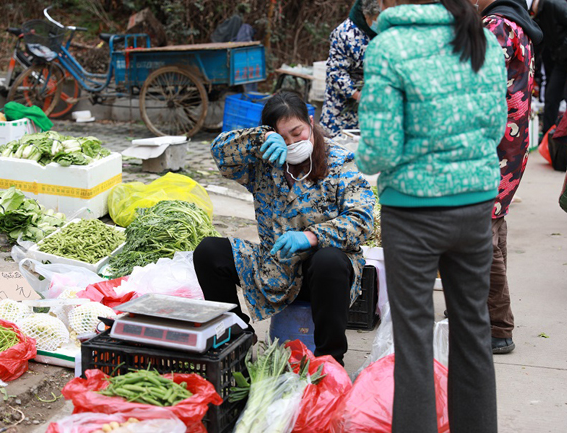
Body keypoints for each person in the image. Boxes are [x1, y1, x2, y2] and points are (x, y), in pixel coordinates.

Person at [356, 0, 507, 432]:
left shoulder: (389, 47)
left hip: (412, 212)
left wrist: (363, 157)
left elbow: (379, 149)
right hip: (475, 205)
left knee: (415, 338)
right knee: (474, 330)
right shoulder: (482, 39)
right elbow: (496, 129)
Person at [193, 91, 376, 365]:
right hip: (274, 270)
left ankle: (330, 360)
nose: (292, 143)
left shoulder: (340, 164)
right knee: (209, 251)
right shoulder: (265, 163)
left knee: (328, 261)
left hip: (326, 280)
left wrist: (311, 237)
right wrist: (259, 139)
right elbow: (220, 153)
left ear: (310, 122)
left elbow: (362, 220)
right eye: (283, 137)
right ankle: (237, 338)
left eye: (297, 132)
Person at [477, 0, 542, 355]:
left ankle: (498, 327)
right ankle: (492, 317)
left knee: (481, 233)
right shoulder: (516, 21)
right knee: (495, 220)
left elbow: (477, 80)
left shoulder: (496, 25)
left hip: (495, 143)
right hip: (512, 142)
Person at [319, 0, 380, 138]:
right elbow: (336, 73)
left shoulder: (385, 32)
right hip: (341, 109)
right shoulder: (345, 33)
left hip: (372, 110)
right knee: (338, 148)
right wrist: (359, 96)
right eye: (376, 19)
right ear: (366, 15)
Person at [531, 0, 567, 135]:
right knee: (552, 95)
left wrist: (565, 49)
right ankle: (548, 135)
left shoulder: (553, 3)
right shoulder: (539, 14)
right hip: (563, 58)